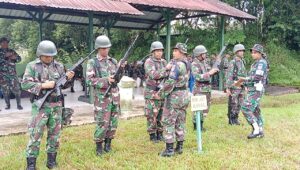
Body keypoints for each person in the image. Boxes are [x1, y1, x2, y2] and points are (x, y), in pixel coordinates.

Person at [22, 40, 74, 169]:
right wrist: (43, 85)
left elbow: (64, 86)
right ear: (40, 54)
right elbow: (25, 84)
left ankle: (51, 162)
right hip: (41, 107)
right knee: (35, 135)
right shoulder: (32, 66)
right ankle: (31, 165)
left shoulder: (59, 66)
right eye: (46, 56)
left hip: (56, 106)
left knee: (55, 135)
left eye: (51, 55)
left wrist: (68, 79)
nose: (49, 58)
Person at [86, 35, 125, 156]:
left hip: (114, 97)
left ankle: (108, 144)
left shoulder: (113, 61)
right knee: (102, 123)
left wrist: (121, 69)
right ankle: (99, 146)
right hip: (102, 98)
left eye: (107, 48)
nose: (106, 50)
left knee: (113, 122)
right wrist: (106, 80)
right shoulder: (93, 62)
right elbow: (89, 80)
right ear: (98, 48)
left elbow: (118, 79)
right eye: (103, 48)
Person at [154, 43, 190, 157]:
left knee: (168, 121)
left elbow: (170, 82)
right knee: (180, 120)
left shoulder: (177, 65)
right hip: (184, 95)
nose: (173, 52)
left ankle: (169, 149)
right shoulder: (187, 64)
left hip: (174, 96)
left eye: (175, 51)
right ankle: (179, 146)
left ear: (181, 52)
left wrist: (160, 94)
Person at [235, 44, 268, 139]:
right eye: (252, 52)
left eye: (254, 52)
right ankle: (260, 131)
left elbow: (257, 77)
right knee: (256, 110)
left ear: (260, 53)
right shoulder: (255, 63)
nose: (252, 54)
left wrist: (244, 79)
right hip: (252, 89)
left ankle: (256, 130)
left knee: (246, 108)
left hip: (256, 90)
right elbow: (252, 78)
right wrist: (242, 83)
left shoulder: (262, 63)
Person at [144, 41, 167, 142]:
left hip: (162, 93)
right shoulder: (149, 62)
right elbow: (153, 75)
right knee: (152, 114)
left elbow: (168, 75)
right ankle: (152, 134)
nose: (159, 53)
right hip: (152, 93)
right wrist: (166, 70)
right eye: (157, 51)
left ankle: (160, 133)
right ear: (152, 52)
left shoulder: (164, 62)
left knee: (161, 114)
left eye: (161, 51)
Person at [191, 45, 218, 131]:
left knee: (205, 108)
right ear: (199, 54)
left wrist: (215, 69)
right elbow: (198, 77)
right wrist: (210, 73)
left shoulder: (204, 63)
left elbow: (210, 70)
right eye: (204, 54)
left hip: (207, 89)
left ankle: (201, 124)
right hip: (199, 89)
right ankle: (197, 126)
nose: (205, 55)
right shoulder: (194, 64)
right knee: (198, 109)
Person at [225, 44, 247, 125]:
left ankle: (236, 118)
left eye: (242, 51)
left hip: (242, 85)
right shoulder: (232, 62)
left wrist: (246, 85)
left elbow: (244, 74)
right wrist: (227, 88)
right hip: (234, 86)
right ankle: (231, 119)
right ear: (236, 52)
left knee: (240, 103)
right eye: (240, 51)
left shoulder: (243, 61)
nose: (242, 52)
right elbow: (229, 75)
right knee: (233, 103)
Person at [0, 37, 23, 110]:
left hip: (13, 74)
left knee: (17, 89)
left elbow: (19, 59)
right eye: (3, 42)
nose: (5, 44)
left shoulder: (12, 51)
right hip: (3, 75)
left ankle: (19, 105)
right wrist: (4, 56)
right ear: (0, 43)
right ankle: (8, 105)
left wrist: (14, 58)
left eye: (6, 42)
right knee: (5, 91)